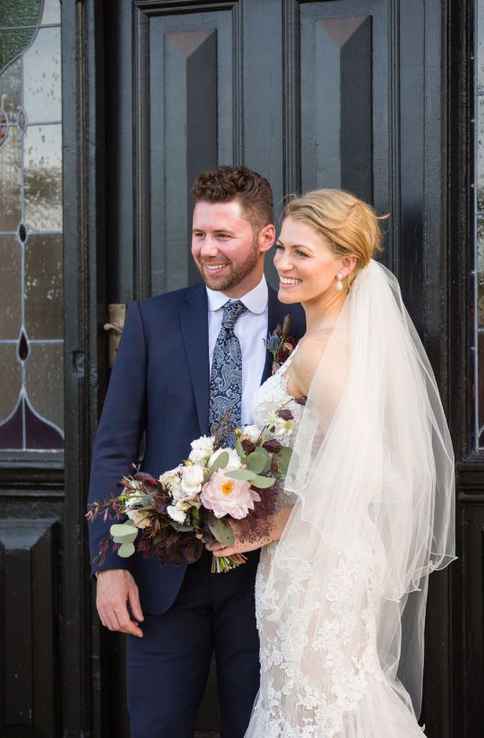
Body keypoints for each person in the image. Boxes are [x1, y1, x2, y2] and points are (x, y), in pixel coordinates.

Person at [209, 188, 456, 737]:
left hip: (320, 560)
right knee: (312, 693)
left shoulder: (324, 350)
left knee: (318, 699)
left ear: (346, 264)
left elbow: (371, 463)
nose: (284, 264)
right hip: (317, 552)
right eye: (283, 249)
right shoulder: (324, 337)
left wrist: (274, 521)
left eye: (302, 252)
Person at [87, 166, 305, 738]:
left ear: (265, 238)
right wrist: (109, 566)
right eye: (199, 234)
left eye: (223, 236)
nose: (206, 250)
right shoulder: (152, 321)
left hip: (269, 580)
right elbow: (114, 449)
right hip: (164, 579)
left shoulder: (304, 325)